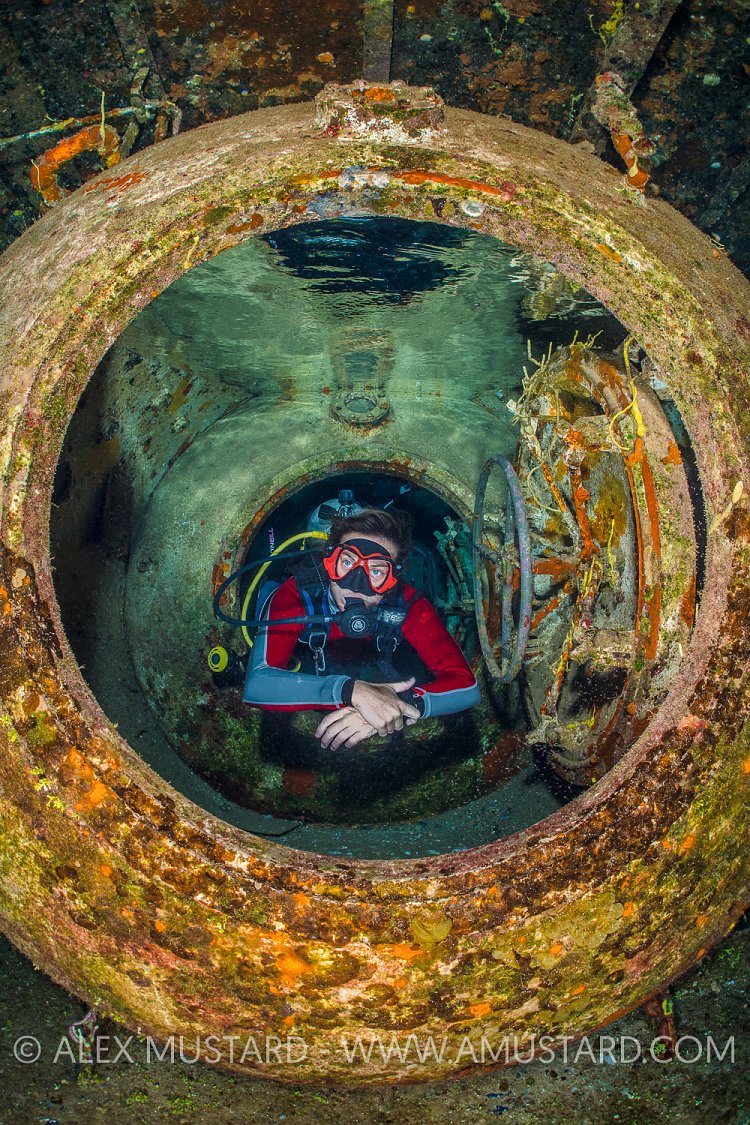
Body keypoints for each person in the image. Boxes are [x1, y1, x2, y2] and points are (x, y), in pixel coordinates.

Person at [243, 508, 480, 750]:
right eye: (347, 563)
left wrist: (394, 704)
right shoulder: (298, 594)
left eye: (376, 571)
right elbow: (257, 684)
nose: (356, 585)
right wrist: (351, 691)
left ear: (393, 580)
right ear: (329, 563)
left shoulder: (408, 605)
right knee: (267, 596)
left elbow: (468, 687)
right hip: (310, 655)